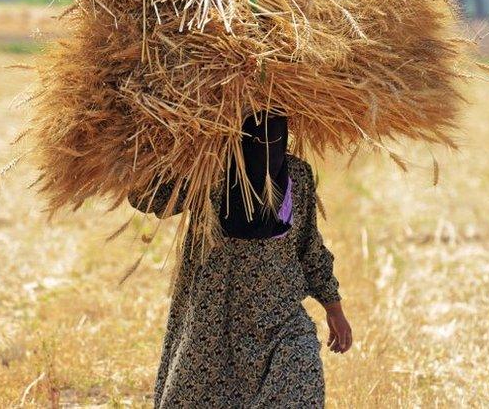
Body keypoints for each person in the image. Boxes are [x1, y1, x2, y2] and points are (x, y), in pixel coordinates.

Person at [130, 112, 352, 407]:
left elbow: (309, 246)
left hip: (279, 319)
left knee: (300, 384)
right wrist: (154, 145)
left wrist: (334, 309)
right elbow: (149, 198)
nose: (266, 144)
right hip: (213, 320)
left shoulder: (296, 176)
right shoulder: (210, 172)